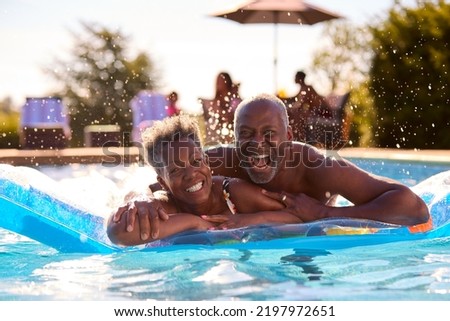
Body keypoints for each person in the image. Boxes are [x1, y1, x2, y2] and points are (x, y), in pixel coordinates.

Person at [110, 94, 430, 241]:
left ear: (288, 137)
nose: (257, 144)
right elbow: (163, 176)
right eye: (246, 135)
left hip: (315, 240)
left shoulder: (317, 166)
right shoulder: (217, 160)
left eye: (269, 134)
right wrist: (137, 200)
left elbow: (413, 208)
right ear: (234, 139)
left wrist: (323, 215)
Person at [107, 115, 301, 246]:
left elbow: (295, 217)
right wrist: (195, 223)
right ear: (163, 183)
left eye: (196, 161)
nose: (191, 174)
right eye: (175, 169)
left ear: (207, 162)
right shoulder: (163, 206)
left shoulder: (231, 193)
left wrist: (251, 219)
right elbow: (117, 233)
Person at [281, 71, 331, 142]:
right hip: (317, 111)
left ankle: (299, 138)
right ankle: (295, 136)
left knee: (297, 114)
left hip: (323, 111)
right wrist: (282, 99)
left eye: (296, 77)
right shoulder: (303, 88)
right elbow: (293, 98)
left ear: (300, 78)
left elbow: (300, 104)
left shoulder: (307, 88)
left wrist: (290, 108)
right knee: (295, 113)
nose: (294, 78)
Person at [200, 72, 242, 145]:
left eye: (221, 80)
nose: (218, 83)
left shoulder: (234, 101)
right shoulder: (213, 103)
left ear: (227, 82)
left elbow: (236, 117)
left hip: (232, 139)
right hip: (215, 141)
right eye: (218, 80)